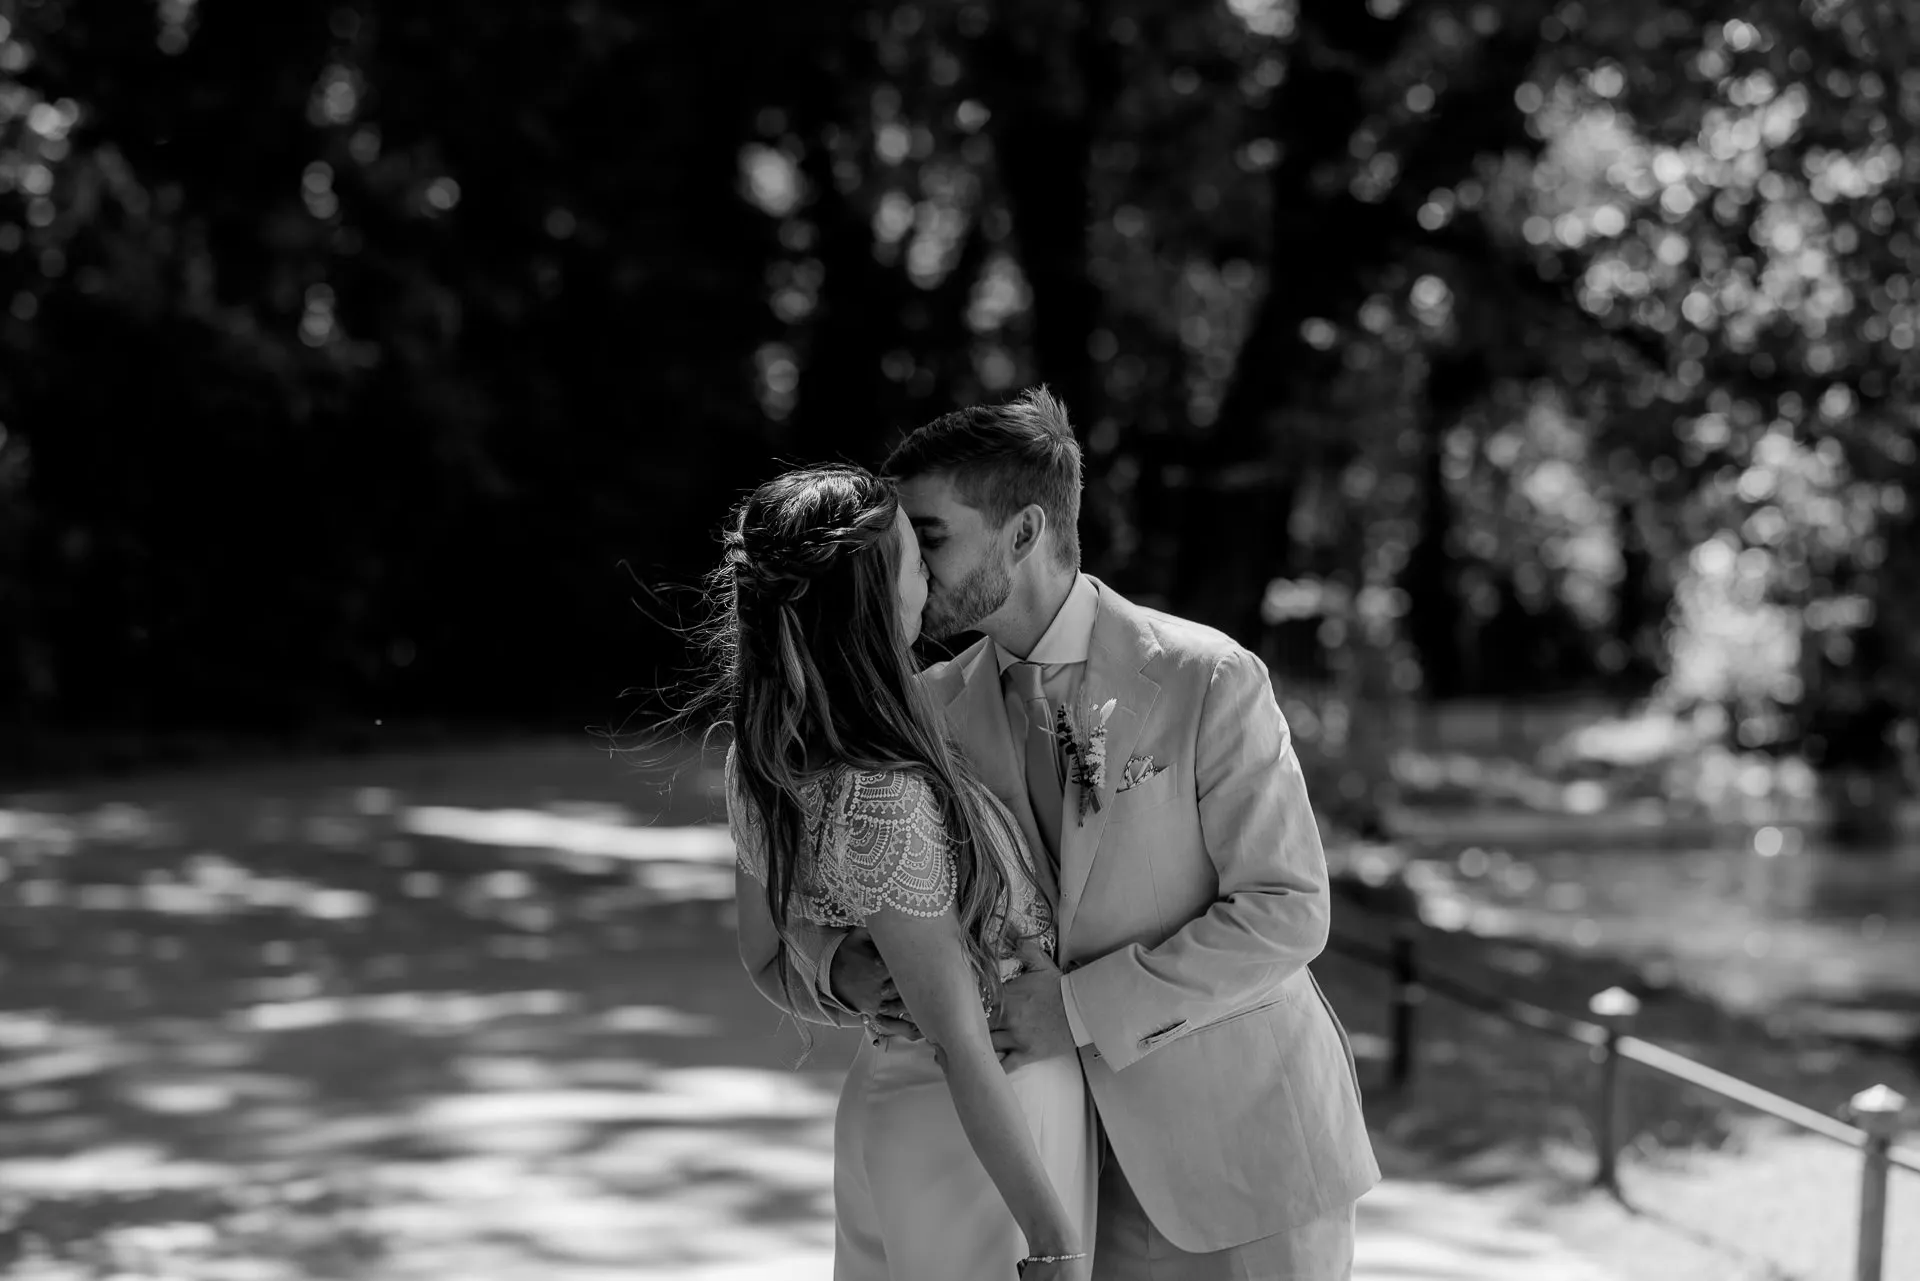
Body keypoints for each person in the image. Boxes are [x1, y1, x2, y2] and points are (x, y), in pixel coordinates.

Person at [744, 389, 1380, 1280]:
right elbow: (837, 885)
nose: (908, 566)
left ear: (1022, 532)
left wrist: (1076, 1010)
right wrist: (841, 969)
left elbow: (1285, 910)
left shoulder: (1208, 677)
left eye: (929, 536)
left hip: (1240, 1154)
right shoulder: (923, 710)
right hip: (1058, 1163)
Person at [715, 464, 1097, 1281]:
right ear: (876, 597)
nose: (930, 569)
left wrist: (839, 978)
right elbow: (962, 1042)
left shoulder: (761, 758)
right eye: (914, 555)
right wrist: (1052, 1236)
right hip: (985, 1128)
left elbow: (764, 957)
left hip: (894, 1107)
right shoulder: (884, 790)